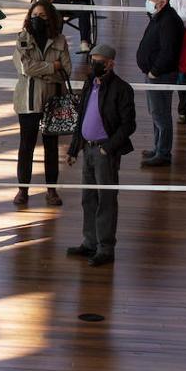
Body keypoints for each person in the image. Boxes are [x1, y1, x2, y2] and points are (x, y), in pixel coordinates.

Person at [66, 44, 136, 267]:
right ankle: (89, 242)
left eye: (98, 62)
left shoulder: (122, 89)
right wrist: (74, 148)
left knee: (105, 200)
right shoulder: (89, 84)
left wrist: (108, 147)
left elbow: (128, 125)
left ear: (110, 64)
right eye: (92, 60)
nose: (93, 65)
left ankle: (105, 247)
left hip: (105, 152)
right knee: (88, 199)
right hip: (87, 148)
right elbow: (82, 118)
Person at [12, 0, 70, 206]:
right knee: (25, 146)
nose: (38, 19)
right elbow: (24, 68)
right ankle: (22, 190)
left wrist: (43, 71)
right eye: (35, 15)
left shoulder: (60, 41)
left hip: (53, 102)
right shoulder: (22, 39)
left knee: (51, 147)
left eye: (43, 16)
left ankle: (52, 190)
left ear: (51, 19)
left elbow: (66, 70)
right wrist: (50, 67)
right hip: (28, 101)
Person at [136, 0, 184, 168]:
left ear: (162, 3)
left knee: (161, 114)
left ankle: (163, 153)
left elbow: (168, 52)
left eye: (151, 0)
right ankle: (158, 147)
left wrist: (154, 71)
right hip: (155, 75)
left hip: (161, 75)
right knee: (156, 112)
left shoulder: (169, 21)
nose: (147, 3)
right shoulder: (159, 16)